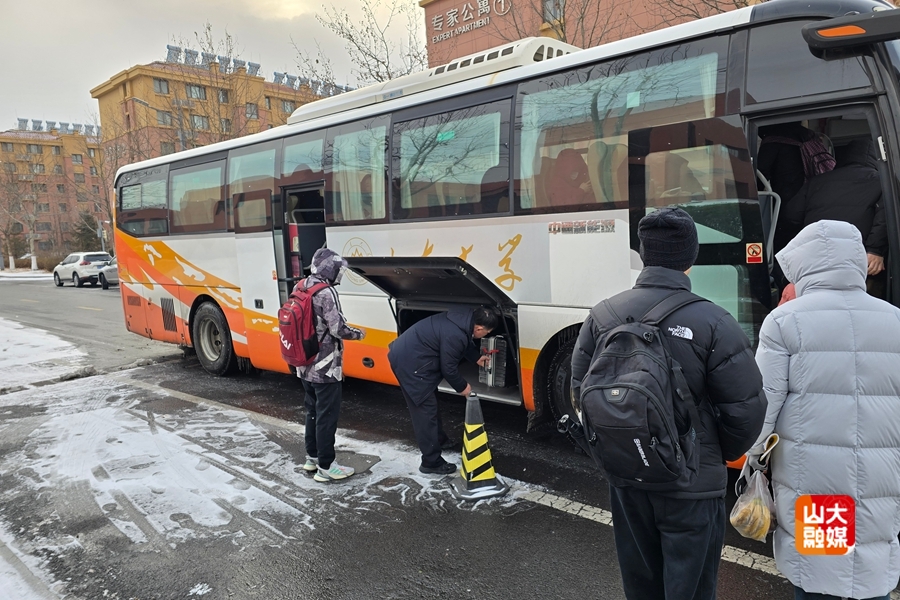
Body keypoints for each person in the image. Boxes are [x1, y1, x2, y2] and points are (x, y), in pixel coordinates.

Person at [571, 207, 767, 600]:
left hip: (628, 477)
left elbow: (580, 392)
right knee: (690, 589)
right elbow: (745, 411)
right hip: (692, 487)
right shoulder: (715, 321)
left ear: (644, 254)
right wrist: (711, 454)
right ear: (690, 258)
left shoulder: (602, 315)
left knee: (641, 586)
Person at [748, 220, 900, 600]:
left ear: (805, 264)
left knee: (822, 576)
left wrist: (753, 457)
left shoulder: (785, 321)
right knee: (870, 569)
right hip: (882, 477)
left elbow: (764, 405)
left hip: (819, 483)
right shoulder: (894, 319)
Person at [388, 307, 498, 474]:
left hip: (415, 356)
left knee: (430, 404)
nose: (485, 335)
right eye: (486, 333)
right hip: (410, 364)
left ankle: (439, 440)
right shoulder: (456, 333)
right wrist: (463, 387)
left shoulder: (462, 320)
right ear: (479, 328)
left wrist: (476, 357)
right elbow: (449, 369)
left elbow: (463, 341)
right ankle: (431, 462)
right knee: (425, 412)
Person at [782, 138, 887, 292]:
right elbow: (884, 218)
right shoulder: (883, 182)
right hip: (858, 258)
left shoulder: (817, 181)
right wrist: (875, 250)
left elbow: (791, 215)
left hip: (816, 254)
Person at [297, 248, 366, 483]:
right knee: (327, 417)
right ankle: (326, 466)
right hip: (326, 367)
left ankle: (312, 458)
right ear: (330, 269)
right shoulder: (326, 292)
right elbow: (338, 329)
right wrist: (359, 334)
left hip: (304, 363)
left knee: (312, 412)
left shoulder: (302, 285)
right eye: (338, 269)